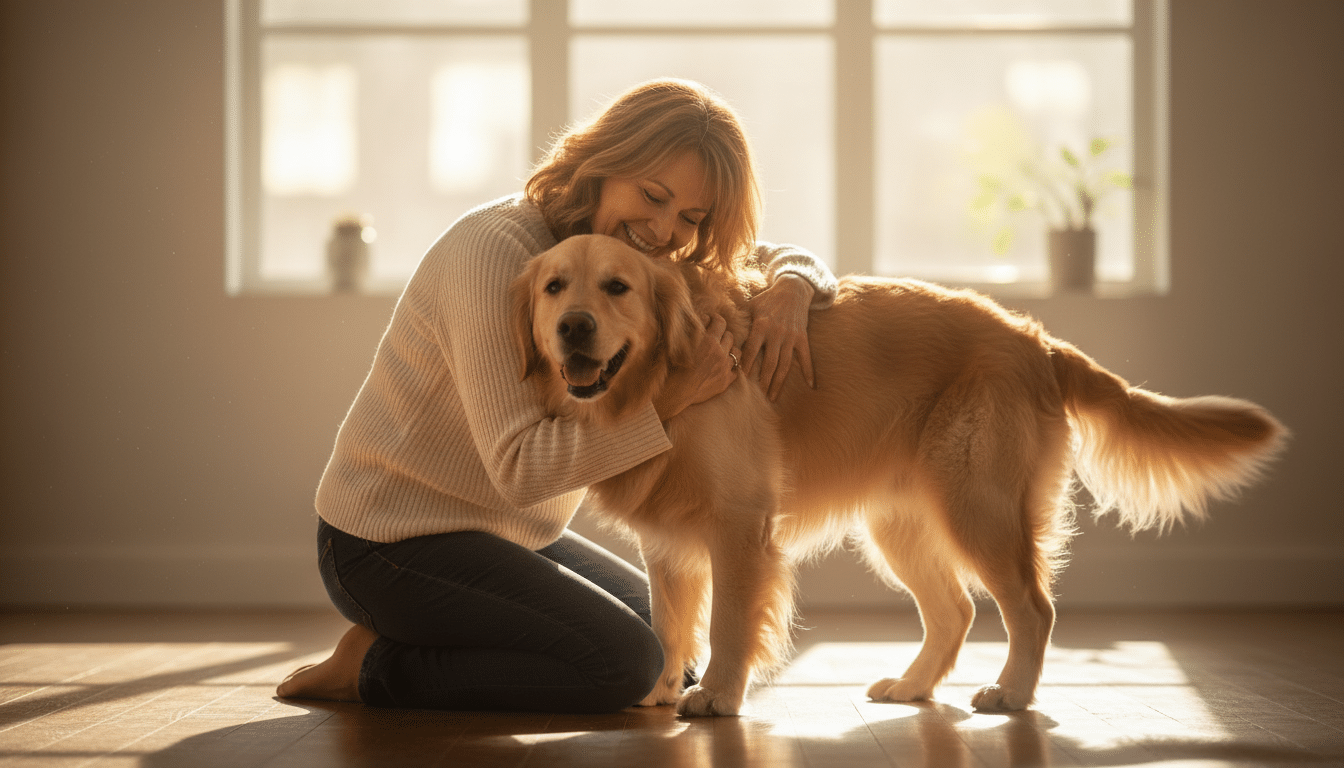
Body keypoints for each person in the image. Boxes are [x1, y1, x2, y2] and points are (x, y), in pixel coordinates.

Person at [277, 78, 838, 714]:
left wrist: (796, 281)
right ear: (602, 164)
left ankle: (425, 637)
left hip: (508, 535)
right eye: (651, 196)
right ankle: (374, 666)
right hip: (387, 541)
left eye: (690, 218)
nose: (661, 231)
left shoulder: (625, 262)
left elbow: (752, 256)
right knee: (624, 664)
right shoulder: (495, 253)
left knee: (672, 660)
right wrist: (670, 401)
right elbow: (520, 469)